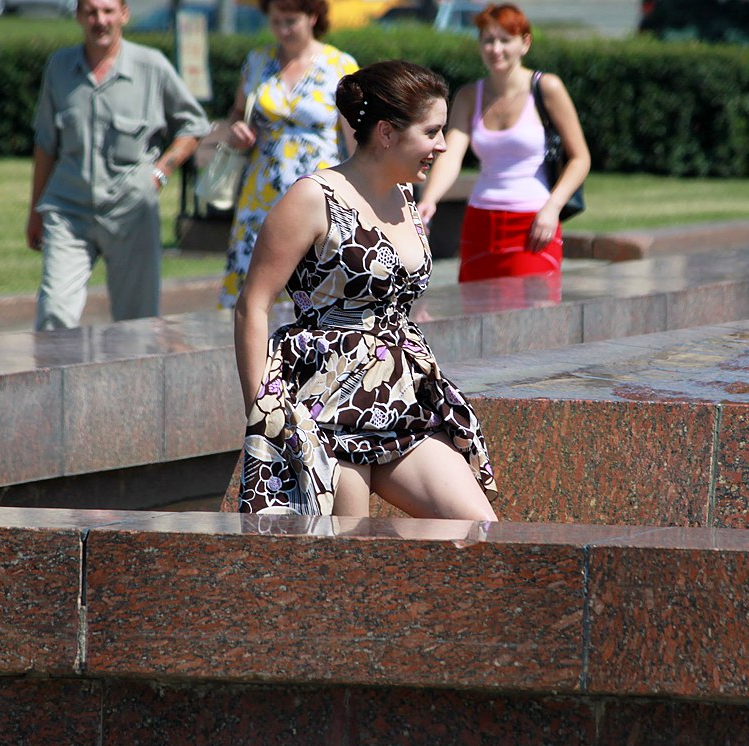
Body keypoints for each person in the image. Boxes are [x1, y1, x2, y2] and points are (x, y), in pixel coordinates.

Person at [233, 60, 498, 520]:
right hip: (324, 410)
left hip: (403, 402)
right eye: (431, 132)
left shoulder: (405, 195)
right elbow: (252, 306)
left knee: (480, 530)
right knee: (350, 552)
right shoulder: (313, 197)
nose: (442, 144)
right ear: (387, 133)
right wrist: (264, 416)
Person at [26, 0, 210, 331]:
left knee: (137, 323)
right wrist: (35, 210)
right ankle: (56, 369)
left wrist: (159, 173)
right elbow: (46, 144)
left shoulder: (151, 66)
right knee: (54, 313)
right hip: (69, 210)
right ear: (78, 16)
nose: (100, 20)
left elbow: (193, 125)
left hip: (131, 210)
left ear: (124, 14)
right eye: (91, 12)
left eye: (108, 11)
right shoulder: (59, 67)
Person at [416, 3, 589, 288]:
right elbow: (451, 155)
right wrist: (429, 200)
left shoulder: (547, 87)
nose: (496, 49)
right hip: (480, 222)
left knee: (536, 308)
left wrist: (552, 208)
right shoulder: (469, 95)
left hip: (534, 223)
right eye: (488, 40)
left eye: (505, 40)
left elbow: (580, 158)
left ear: (525, 43)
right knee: (474, 308)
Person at [212, 0, 358, 310]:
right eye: (276, 21)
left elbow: (356, 138)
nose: (282, 30)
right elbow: (238, 111)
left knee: (316, 283)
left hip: (318, 193)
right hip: (261, 194)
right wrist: (237, 128)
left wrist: (361, 191)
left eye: (291, 21)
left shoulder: (340, 65)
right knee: (254, 289)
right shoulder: (257, 61)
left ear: (313, 16)